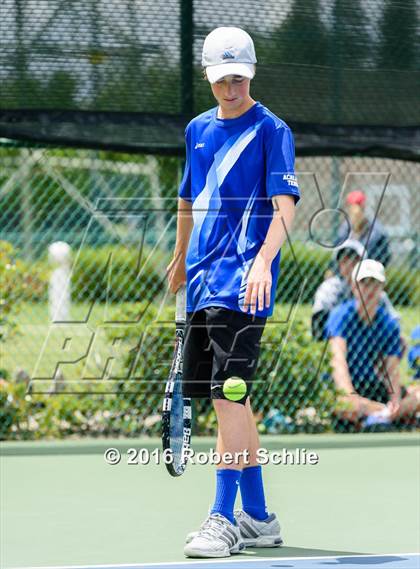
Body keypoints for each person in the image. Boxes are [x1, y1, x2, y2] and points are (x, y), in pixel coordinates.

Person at [166, 26, 300, 558]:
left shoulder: (271, 130)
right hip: (201, 282)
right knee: (230, 404)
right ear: (208, 77)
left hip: (244, 285)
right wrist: (179, 258)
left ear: (252, 73)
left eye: (238, 78)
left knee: (229, 398)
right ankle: (260, 517)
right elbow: (186, 199)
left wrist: (264, 260)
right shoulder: (197, 130)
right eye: (222, 79)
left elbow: (285, 205)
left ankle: (223, 518)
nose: (230, 88)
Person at [326, 259, 420, 427]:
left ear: (382, 287)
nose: (369, 289)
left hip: (374, 387)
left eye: (375, 283)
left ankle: (380, 415)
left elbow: (391, 370)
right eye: (364, 283)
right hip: (347, 387)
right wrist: (350, 394)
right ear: (354, 287)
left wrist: (395, 400)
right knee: (346, 405)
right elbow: (337, 361)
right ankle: (383, 415)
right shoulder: (340, 316)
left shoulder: (389, 323)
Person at [312, 239, 398, 341]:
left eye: (355, 259)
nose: (349, 264)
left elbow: (394, 321)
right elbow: (318, 320)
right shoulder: (330, 287)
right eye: (345, 260)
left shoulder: (378, 293)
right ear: (339, 264)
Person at [337, 190, 391, 266]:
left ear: (363, 207)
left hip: (369, 265)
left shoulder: (376, 229)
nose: (355, 211)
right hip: (349, 267)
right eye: (352, 206)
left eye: (358, 206)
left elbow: (382, 253)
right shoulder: (345, 228)